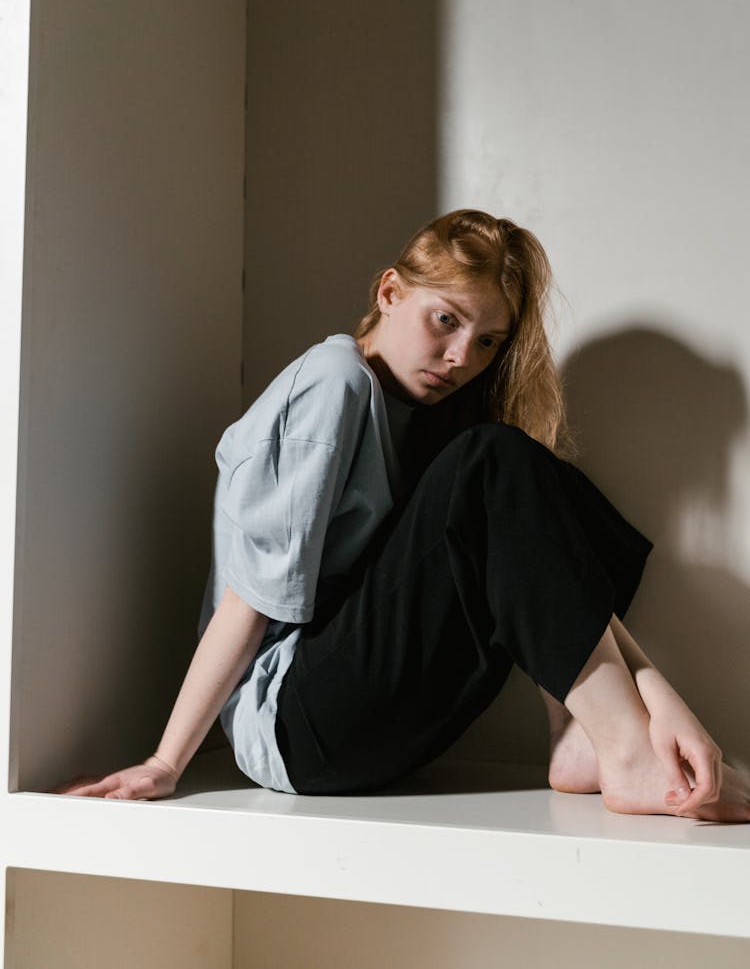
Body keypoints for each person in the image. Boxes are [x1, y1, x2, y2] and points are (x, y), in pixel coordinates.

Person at [59, 210, 750, 821]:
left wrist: (659, 691)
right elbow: (248, 602)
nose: (460, 357)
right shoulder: (334, 382)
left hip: (369, 726)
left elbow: (554, 578)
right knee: (495, 462)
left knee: (540, 479)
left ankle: (586, 734)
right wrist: (165, 761)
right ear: (390, 292)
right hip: (294, 727)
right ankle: (623, 746)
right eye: (446, 319)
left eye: (487, 342)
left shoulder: (424, 421)